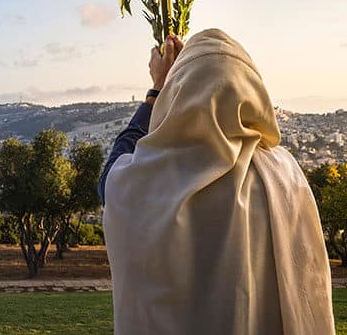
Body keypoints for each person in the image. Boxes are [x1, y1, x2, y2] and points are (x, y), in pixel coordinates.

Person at [100, 28, 334, 335]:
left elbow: (109, 178)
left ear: (177, 95)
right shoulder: (285, 175)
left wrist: (156, 89)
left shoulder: (144, 180)